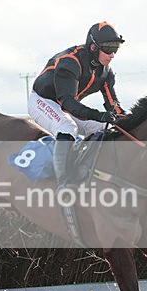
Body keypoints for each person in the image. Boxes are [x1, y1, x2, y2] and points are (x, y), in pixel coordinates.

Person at [28, 21, 126, 190]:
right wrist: (98, 114)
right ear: (93, 47)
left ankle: (89, 171)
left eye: (115, 49)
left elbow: (113, 105)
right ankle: (63, 183)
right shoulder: (70, 62)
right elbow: (68, 103)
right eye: (108, 49)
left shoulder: (106, 72)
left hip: (67, 104)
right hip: (43, 100)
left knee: (106, 128)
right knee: (67, 127)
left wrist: (126, 121)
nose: (112, 55)